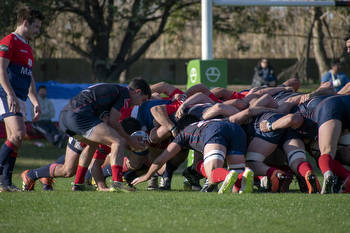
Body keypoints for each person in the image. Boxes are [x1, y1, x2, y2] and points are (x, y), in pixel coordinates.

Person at [0, 6, 44, 192]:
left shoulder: (27, 47)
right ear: (25, 23)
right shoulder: (9, 41)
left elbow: (29, 78)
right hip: (6, 93)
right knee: (18, 134)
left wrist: (35, 102)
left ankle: (6, 183)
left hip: (21, 97)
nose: (38, 31)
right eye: (36, 27)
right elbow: (1, 70)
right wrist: (9, 94)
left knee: (16, 139)